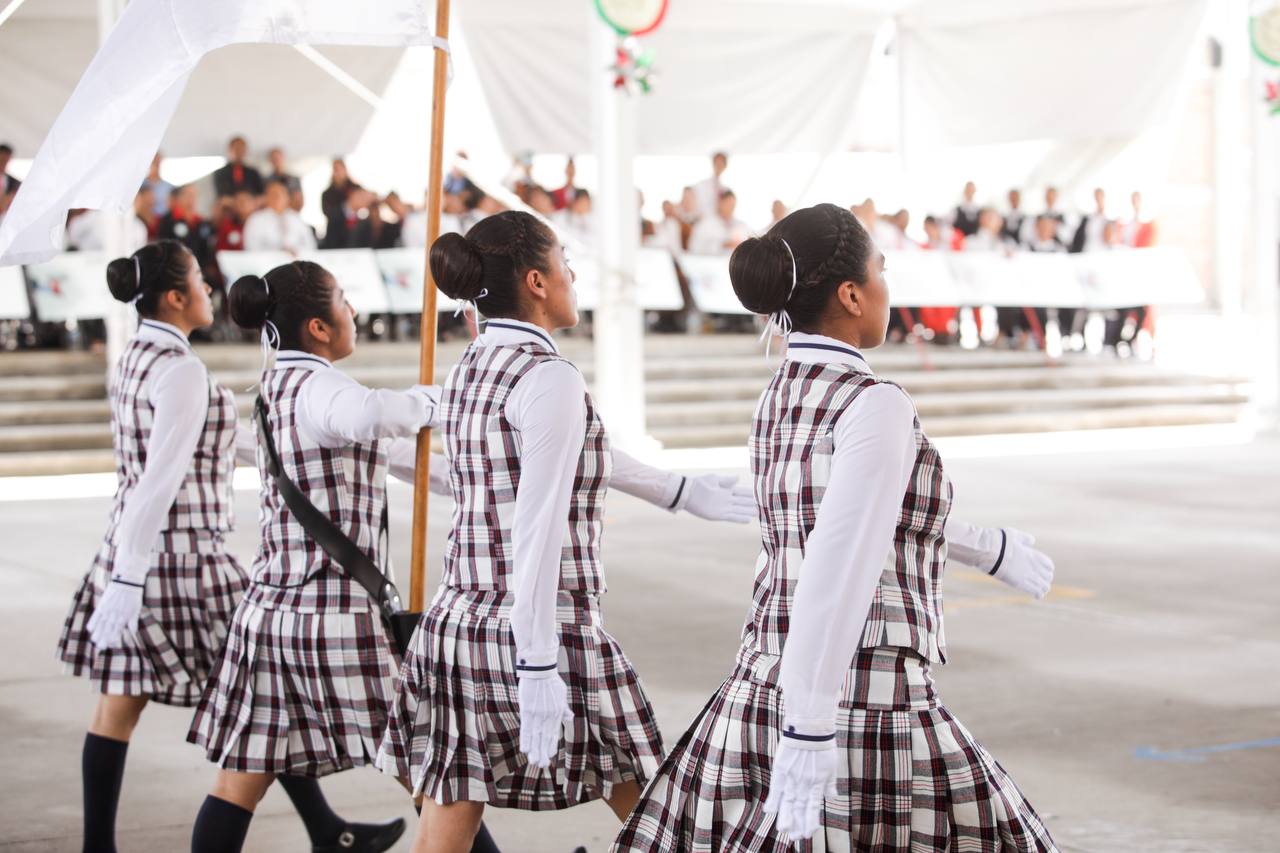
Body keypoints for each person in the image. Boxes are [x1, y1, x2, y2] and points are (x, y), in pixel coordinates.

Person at [612, 203, 1058, 851]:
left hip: (766, 674)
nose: (886, 284)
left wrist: (988, 547)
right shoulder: (874, 403)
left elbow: (869, 511)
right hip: (857, 687)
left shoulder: (783, 390)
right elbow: (840, 555)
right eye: (882, 269)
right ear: (851, 294)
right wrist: (812, 721)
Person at [376, 211, 756, 852]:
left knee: (449, 821)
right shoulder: (547, 375)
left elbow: (581, 453)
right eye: (563, 261)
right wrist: (536, 661)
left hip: (462, 620)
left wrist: (682, 492)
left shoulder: (472, 366)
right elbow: (538, 525)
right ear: (537, 281)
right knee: (659, 815)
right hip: (542, 623)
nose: (573, 274)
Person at [57, 241, 398, 853]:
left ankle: (325, 829)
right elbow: (161, 476)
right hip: (182, 558)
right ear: (175, 297)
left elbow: (208, 450)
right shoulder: (182, 371)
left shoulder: (135, 355)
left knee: (231, 714)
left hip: (141, 547)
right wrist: (131, 580)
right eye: (199, 281)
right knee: (260, 712)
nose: (210, 292)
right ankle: (327, 830)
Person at [187, 259, 440, 852]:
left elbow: (392, 452)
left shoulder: (275, 385)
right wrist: (428, 400)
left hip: (269, 617)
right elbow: (368, 414)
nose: (352, 311)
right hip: (334, 621)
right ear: (319, 329)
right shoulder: (323, 386)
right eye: (344, 300)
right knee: (434, 777)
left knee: (238, 783)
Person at [243, 178, 317, 254]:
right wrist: (279, 253)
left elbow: (310, 245)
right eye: (273, 194)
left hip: (294, 262)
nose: (277, 197)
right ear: (266, 197)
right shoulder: (256, 219)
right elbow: (251, 248)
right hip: (266, 264)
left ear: (288, 197)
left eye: (281, 193)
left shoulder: (296, 218)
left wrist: (296, 251)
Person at [689, 189, 750, 255]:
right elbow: (694, 247)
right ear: (720, 203)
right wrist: (723, 245)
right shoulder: (705, 224)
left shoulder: (741, 225)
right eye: (728, 204)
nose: (730, 208)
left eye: (733, 205)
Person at [1070, 187, 1109, 253]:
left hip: (1103, 252)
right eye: (1096, 197)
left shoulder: (1109, 219)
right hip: (1087, 251)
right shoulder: (1087, 219)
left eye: (1100, 197)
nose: (1098, 200)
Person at [693, 151, 729, 218]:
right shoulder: (701, 185)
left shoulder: (726, 189)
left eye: (721, 163)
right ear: (713, 163)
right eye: (717, 163)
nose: (719, 166)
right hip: (703, 220)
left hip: (719, 222)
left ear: (725, 166)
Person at [142, 153, 174, 218]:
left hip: (163, 220)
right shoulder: (141, 184)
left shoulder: (168, 186)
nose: (156, 165)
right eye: (154, 162)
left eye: (158, 162)